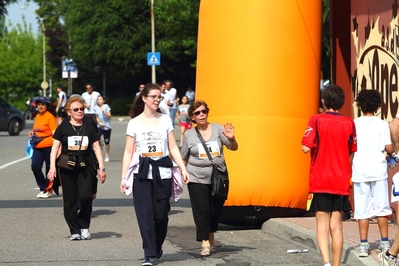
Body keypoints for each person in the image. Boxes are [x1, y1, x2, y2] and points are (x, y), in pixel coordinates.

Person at [120, 83, 189, 266]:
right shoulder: (133, 123)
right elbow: (128, 152)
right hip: (141, 172)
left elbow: (172, 146)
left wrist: (182, 168)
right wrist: (123, 177)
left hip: (163, 171)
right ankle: (148, 253)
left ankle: (157, 245)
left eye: (160, 97)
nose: (157, 99)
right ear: (144, 98)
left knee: (160, 215)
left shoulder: (166, 119)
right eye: (154, 96)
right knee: (144, 214)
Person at [301, 85, 357, 266]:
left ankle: (326, 263)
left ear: (323, 101)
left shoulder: (316, 120)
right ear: (342, 102)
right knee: (337, 226)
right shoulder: (350, 123)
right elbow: (351, 151)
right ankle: (336, 264)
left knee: (322, 226)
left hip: (321, 179)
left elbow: (305, 147)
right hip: (340, 180)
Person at [180, 100, 238, 257]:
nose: (201, 115)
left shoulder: (218, 128)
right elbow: (183, 156)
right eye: (198, 113)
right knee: (202, 209)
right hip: (196, 176)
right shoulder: (189, 135)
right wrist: (182, 173)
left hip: (218, 176)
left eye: (204, 111)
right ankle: (204, 241)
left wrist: (232, 138)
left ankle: (211, 232)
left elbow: (233, 148)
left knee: (215, 209)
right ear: (193, 117)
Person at [47, 96, 106, 241]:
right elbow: (54, 148)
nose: (80, 112)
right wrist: (52, 168)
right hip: (67, 166)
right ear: (69, 112)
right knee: (70, 199)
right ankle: (74, 229)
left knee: (86, 196)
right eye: (76, 109)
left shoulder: (89, 127)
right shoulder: (63, 127)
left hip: (86, 166)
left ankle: (84, 226)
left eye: (81, 109)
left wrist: (101, 168)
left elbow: (97, 148)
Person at [351, 89, 393, 258]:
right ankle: (384, 242)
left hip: (360, 170)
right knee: (382, 207)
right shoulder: (383, 124)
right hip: (378, 169)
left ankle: (363, 245)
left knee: (362, 209)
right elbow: (388, 147)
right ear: (377, 105)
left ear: (360, 105)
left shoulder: (354, 123)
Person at [28, 97, 58, 198]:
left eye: (43, 105)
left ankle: (48, 190)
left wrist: (57, 147)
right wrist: (32, 132)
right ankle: (43, 187)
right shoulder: (37, 116)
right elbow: (36, 128)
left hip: (49, 146)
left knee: (49, 169)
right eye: (39, 104)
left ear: (47, 106)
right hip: (37, 146)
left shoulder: (50, 117)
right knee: (35, 166)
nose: (40, 106)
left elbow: (55, 133)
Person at [95, 95, 112, 162]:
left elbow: (110, 116)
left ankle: (107, 155)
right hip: (100, 127)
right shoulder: (96, 108)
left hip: (107, 127)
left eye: (100, 99)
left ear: (103, 101)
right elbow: (96, 116)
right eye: (98, 99)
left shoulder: (106, 106)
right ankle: (101, 145)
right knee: (96, 138)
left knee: (107, 141)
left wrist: (104, 112)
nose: (99, 101)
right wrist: (99, 122)